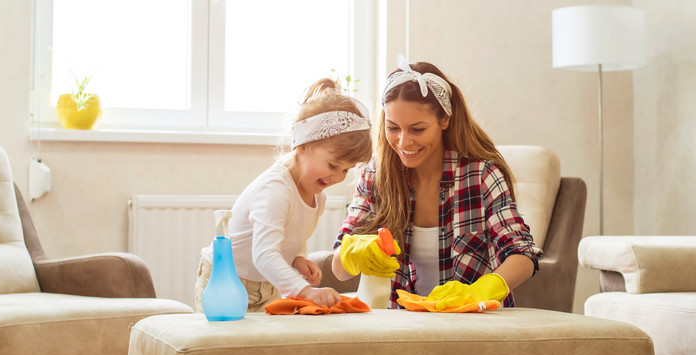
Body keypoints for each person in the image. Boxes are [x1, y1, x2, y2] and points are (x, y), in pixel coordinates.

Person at [331, 60, 542, 309]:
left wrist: (481, 291)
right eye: (393, 128)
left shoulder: (480, 175)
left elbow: (523, 254)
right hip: (400, 328)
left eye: (417, 129)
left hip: (471, 325)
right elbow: (338, 269)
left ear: (444, 119)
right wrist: (352, 252)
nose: (403, 142)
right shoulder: (376, 175)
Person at [227, 78, 373, 311]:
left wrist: (298, 258)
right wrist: (306, 291)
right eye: (333, 165)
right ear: (303, 145)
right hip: (229, 285)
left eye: (346, 169)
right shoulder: (275, 190)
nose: (337, 177)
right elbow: (264, 254)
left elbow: (294, 233)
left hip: (267, 284)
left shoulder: (317, 194)